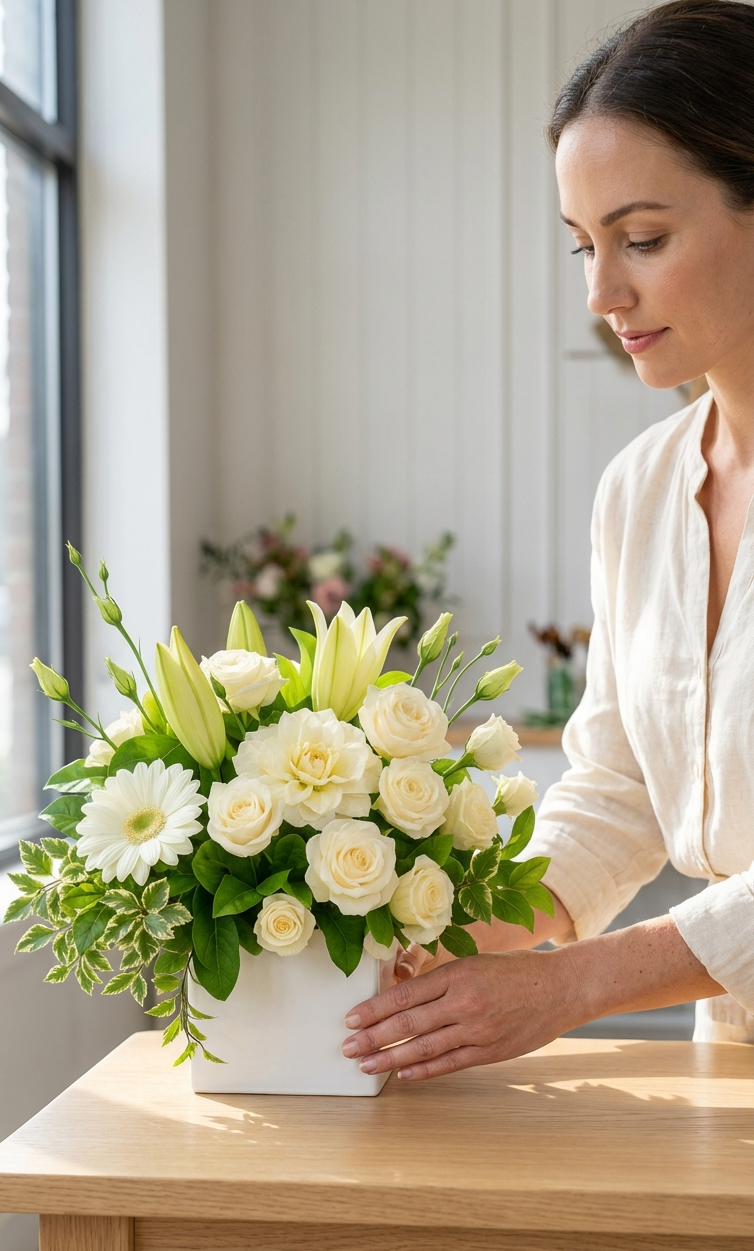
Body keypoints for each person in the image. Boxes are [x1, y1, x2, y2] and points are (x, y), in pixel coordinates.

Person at [341, 0, 754, 1081]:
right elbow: (615, 790)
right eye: (582, 245)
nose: (600, 294)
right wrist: (450, 945)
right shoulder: (641, 490)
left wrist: (572, 984)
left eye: (643, 240)